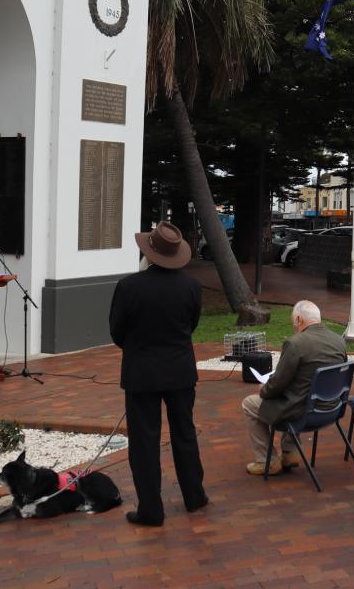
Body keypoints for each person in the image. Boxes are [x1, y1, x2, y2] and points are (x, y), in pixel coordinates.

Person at [108, 222, 207, 526]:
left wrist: (140, 348)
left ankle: (151, 509)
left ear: (149, 253)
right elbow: (191, 324)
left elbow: (117, 332)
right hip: (180, 370)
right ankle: (194, 497)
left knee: (144, 442)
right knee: (185, 434)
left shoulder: (128, 287)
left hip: (142, 373)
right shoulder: (191, 286)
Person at [241, 300, 346, 476]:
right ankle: (290, 452)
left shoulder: (296, 343)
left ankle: (268, 461)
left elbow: (278, 384)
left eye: (293, 323)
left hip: (303, 411)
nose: (294, 327)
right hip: (331, 408)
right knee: (299, 390)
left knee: (249, 403)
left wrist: (264, 389)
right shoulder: (339, 341)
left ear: (298, 319)